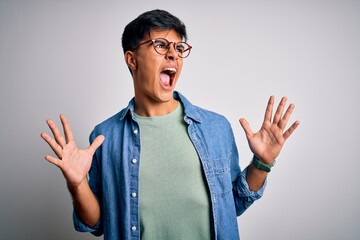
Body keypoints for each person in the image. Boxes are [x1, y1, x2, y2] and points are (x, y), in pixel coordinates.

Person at [41, 9, 299, 240]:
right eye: (161, 45)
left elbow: (234, 205)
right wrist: (77, 185)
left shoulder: (215, 128)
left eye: (179, 48)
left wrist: (262, 164)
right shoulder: (105, 136)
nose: (173, 55)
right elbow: (97, 223)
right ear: (132, 60)